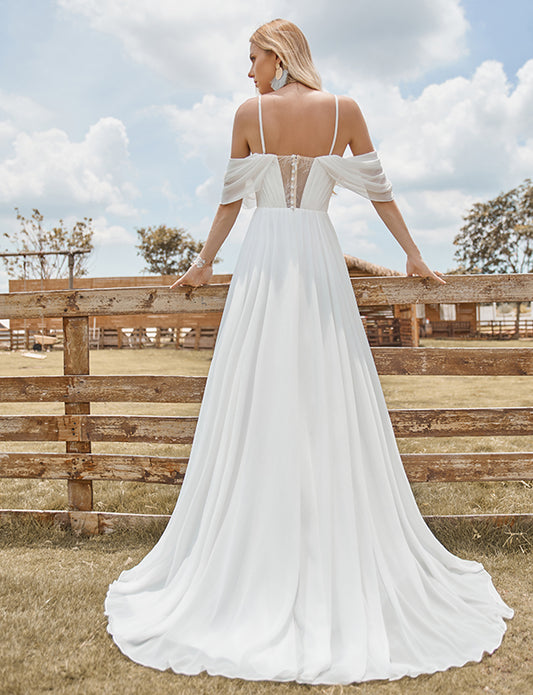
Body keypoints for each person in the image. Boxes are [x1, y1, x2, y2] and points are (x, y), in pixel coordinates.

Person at [104, 18, 513, 685]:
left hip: (265, 264)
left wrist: (206, 262)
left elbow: (232, 202)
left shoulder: (249, 115)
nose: (247, 71)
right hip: (317, 261)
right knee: (327, 389)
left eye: (253, 58)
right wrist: (412, 252)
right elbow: (378, 191)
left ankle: (265, 539)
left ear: (279, 57)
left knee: (259, 388)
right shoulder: (344, 111)